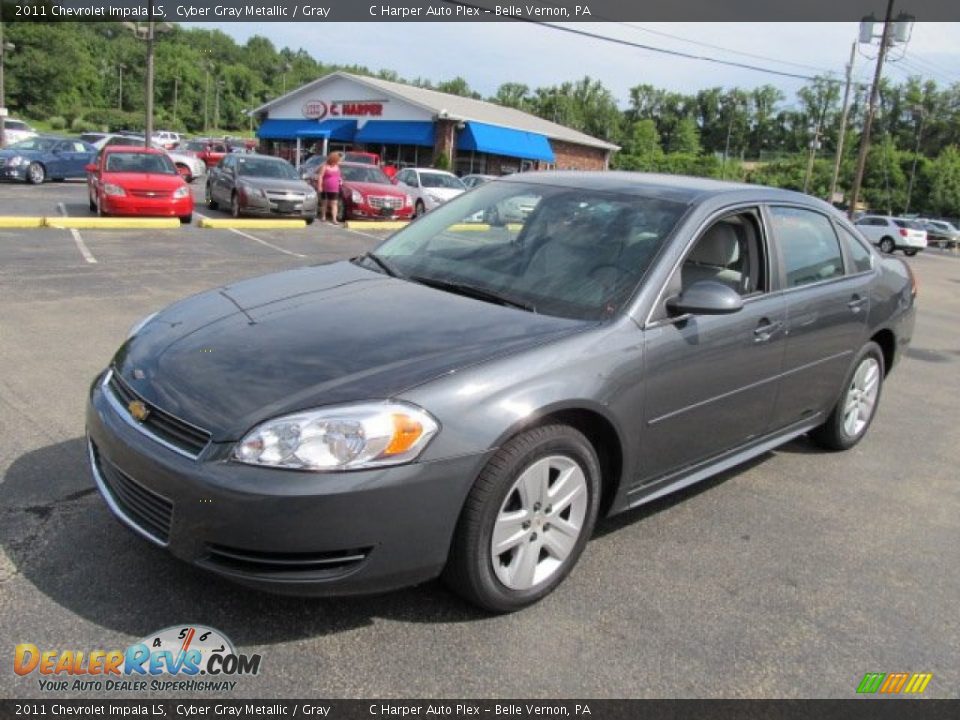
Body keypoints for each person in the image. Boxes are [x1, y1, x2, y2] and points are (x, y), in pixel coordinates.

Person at [317, 151, 343, 224]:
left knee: (334, 203)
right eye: (338, 160)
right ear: (334, 159)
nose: (339, 161)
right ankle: (323, 216)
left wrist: (340, 180)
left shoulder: (337, 167)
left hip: (335, 188)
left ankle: (334, 219)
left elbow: (339, 176)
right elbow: (320, 176)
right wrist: (319, 186)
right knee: (324, 203)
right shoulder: (325, 166)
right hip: (325, 188)